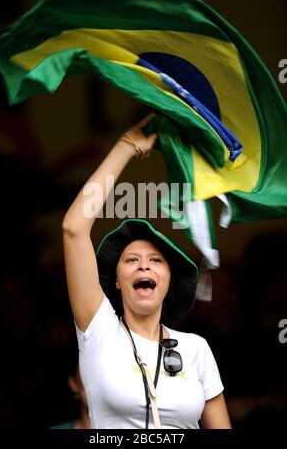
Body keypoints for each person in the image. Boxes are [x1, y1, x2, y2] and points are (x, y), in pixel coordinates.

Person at [62, 114, 231, 429]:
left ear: (168, 280)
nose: (143, 264)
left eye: (155, 260)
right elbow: (74, 228)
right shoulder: (98, 332)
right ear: (116, 280)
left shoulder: (196, 348)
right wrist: (125, 148)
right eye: (131, 260)